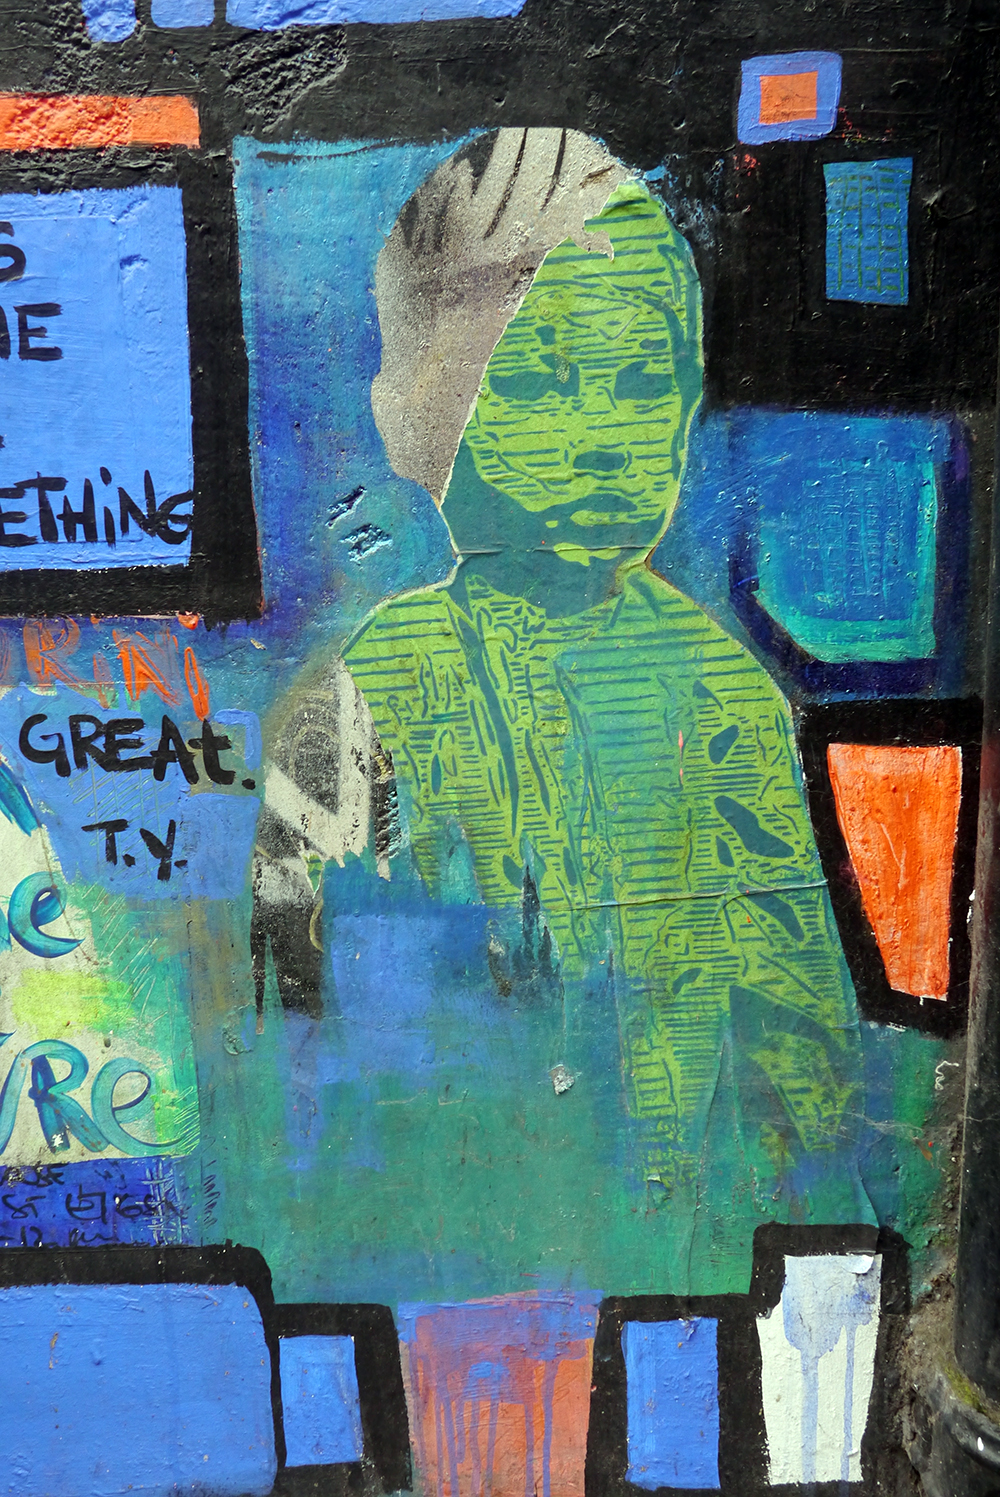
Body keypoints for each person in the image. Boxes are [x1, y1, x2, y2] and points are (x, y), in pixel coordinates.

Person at [253, 130, 871, 1279]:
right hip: (439, 1241)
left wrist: (810, 1233)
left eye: (642, 378)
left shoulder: (723, 697)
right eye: (537, 381)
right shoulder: (370, 693)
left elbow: (799, 1045)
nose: (602, 435)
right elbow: (294, 1025)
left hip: (678, 1251)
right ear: (426, 405)